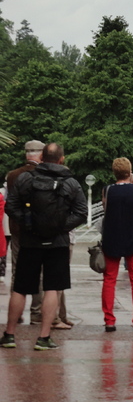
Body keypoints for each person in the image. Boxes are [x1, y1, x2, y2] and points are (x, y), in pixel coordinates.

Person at [1, 143, 87, 351]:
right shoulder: (71, 183)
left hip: (30, 241)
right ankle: (44, 337)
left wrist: (28, 224)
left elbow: (10, 206)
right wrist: (60, 227)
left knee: (20, 289)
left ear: (41, 157)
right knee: (52, 289)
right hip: (57, 243)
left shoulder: (25, 179)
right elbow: (82, 212)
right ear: (62, 159)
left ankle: (10, 334)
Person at [101, 158, 133, 332]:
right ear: (130, 172)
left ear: (114, 172)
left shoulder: (107, 190)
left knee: (109, 280)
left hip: (112, 238)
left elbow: (107, 212)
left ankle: (109, 320)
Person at [4, 140, 44, 321]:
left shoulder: (12, 175)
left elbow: (9, 204)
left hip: (18, 230)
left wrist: (20, 219)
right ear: (41, 155)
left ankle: (16, 312)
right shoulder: (44, 174)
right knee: (40, 271)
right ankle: (37, 312)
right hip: (40, 230)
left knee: (17, 271)